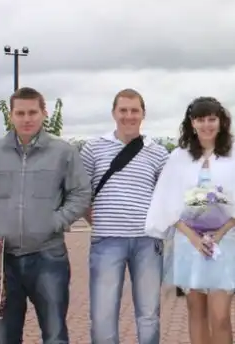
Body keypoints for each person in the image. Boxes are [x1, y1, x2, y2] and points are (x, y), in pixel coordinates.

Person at [144, 96, 235, 344]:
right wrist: (193, 237)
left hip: (223, 241)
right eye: (201, 120)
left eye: (212, 119)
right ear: (192, 123)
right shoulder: (179, 157)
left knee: (220, 317)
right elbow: (167, 201)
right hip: (189, 243)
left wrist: (219, 234)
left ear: (221, 122)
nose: (207, 125)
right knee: (196, 312)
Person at [0, 87, 91, 343]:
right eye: (20, 113)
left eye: (32, 112)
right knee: (4, 336)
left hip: (48, 257)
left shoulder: (63, 152)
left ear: (43, 114)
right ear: (11, 116)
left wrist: (55, 221)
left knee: (55, 333)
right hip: (3, 262)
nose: (27, 119)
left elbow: (81, 193)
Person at [80, 89, 169, 343]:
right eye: (123, 110)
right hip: (107, 241)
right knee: (103, 315)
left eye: (134, 110)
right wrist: (98, 222)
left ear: (143, 114)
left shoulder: (158, 153)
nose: (129, 116)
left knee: (149, 315)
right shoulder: (93, 148)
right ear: (113, 113)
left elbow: (166, 197)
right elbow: (81, 194)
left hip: (148, 242)